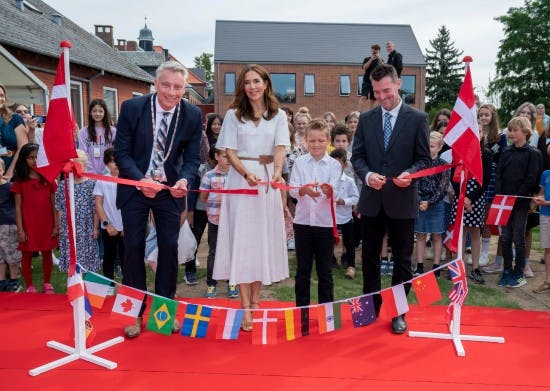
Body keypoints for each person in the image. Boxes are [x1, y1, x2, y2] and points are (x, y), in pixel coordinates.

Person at [114, 61, 202, 338]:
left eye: (178, 87)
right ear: (155, 84)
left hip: (168, 190)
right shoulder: (132, 108)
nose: (171, 92)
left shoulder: (192, 114)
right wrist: (141, 181)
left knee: (168, 247)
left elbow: (191, 158)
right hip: (136, 187)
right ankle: (134, 315)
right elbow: (121, 153)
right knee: (133, 248)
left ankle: (163, 314)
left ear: (184, 88)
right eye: (166, 85)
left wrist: (184, 180)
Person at [351, 63, 430, 334]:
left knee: (402, 260)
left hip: (402, 201)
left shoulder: (418, 119)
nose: (382, 97)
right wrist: (368, 174)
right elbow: (357, 157)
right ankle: (370, 306)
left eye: (386, 90)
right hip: (372, 200)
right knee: (370, 257)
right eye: (376, 92)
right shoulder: (366, 119)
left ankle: (399, 312)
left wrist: (410, 173)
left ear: (398, 84)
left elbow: (424, 160)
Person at [213, 64, 290, 332]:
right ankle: (245, 306)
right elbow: (230, 152)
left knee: (261, 240)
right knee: (243, 242)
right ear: (242, 87)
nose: (252, 86)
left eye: (257, 81)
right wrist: (246, 173)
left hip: (268, 181)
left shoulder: (278, 115)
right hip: (242, 181)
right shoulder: (234, 115)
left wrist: (278, 173)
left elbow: (280, 148)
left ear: (266, 83)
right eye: (247, 82)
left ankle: (257, 300)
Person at [289, 119, 341, 307]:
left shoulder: (334, 165)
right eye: (312, 141)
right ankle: (301, 311)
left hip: (324, 224)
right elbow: (292, 189)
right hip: (303, 223)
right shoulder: (300, 163)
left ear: (328, 140)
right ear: (306, 141)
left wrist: (328, 191)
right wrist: (303, 190)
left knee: (325, 271)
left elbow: (336, 192)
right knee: (302, 270)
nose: (316, 144)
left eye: (320, 140)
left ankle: (326, 312)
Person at [496, 116, 542, 288]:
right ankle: (507, 270)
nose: (511, 133)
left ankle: (519, 271)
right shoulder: (506, 151)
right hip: (504, 202)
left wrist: (517, 196)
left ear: (525, 132)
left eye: (515, 130)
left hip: (520, 203)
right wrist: (500, 195)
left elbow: (532, 178)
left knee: (518, 237)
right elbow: (499, 174)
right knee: (505, 237)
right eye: (510, 130)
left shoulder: (533, 153)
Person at [11, 143, 58, 293]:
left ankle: (47, 283)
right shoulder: (20, 181)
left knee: (47, 252)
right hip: (28, 223)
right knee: (27, 253)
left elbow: (54, 203)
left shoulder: (48, 179)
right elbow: (18, 207)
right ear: (24, 160)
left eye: (37, 157)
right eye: (31, 158)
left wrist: (56, 224)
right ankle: (30, 285)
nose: (34, 160)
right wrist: (20, 229)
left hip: (46, 222)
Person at [199, 146, 237, 298]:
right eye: (224, 156)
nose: (227, 160)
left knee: (232, 252)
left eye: (230, 157)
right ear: (216, 156)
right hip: (215, 221)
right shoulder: (209, 176)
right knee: (214, 252)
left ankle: (232, 282)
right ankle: (211, 284)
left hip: (233, 222)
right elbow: (203, 197)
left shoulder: (237, 176)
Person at [55, 150, 100, 273]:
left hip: (86, 225)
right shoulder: (64, 185)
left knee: (87, 256)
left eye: (79, 164)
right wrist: (60, 226)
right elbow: (59, 207)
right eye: (73, 165)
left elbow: (96, 209)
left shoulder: (92, 184)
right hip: (68, 227)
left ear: (85, 165)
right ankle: (73, 284)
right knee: (71, 256)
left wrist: (95, 228)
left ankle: (86, 286)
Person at [414, 132, 449, 277]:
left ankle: (436, 267)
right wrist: (419, 201)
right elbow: (414, 182)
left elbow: (443, 188)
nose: (429, 148)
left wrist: (430, 202)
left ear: (440, 148)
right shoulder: (420, 163)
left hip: (436, 204)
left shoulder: (443, 165)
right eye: (427, 145)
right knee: (420, 235)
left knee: (436, 236)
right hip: (420, 203)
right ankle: (420, 266)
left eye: (432, 146)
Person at [93, 148, 124, 279]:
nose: (115, 163)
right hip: (108, 226)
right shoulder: (101, 180)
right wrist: (107, 224)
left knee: (127, 257)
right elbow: (98, 204)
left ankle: (128, 287)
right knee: (109, 256)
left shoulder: (130, 179)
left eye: (116, 160)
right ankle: (109, 283)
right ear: (106, 164)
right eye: (111, 161)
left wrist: (127, 226)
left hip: (126, 227)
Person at [330, 148, 359, 279]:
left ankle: (350, 265)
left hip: (346, 217)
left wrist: (344, 201)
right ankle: (330, 261)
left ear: (345, 165)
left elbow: (356, 197)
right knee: (328, 241)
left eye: (339, 164)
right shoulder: (326, 181)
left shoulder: (349, 181)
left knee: (349, 241)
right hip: (330, 217)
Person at [77, 99, 116, 174]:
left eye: (100, 111)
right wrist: (91, 172)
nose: (97, 114)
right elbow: (83, 153)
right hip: (89, 174)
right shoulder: (83, 132)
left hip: (108, 173)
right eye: (94, 111)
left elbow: (114, 153)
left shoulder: (113, 131)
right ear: (90, 113)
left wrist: (106, 171)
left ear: (105, 113)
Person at [0, 159, 22, 292]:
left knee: (11, 253)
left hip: (8, 225)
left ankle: (14, 280)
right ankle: (1, 280)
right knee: (0, 256)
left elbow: (18, 205)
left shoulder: (10, 187)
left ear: (2, 170)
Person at [0, 84, 29, 180]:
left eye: (1, 95)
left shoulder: (15, 119)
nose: (0, 99)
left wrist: (9, 173)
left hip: (10, 168)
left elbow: (22, 147)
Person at [533, 166, 550, 294]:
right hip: (545, 215)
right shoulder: (546, 173)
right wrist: (538, 199)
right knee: (547, 248)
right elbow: (542, 192)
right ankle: (548, 281)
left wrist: (547, 202)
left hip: (546, 209)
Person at [359, 44, 384, 111]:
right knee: (363, 97)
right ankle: (359, 113)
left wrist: (378, 58)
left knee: (373, 99)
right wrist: (371, 59)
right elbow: (364, 68)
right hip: (366, 81)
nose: (374, 52)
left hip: (375, 83)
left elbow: (383, 68)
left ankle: (370, 114)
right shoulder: (367, 59)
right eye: (373, 50)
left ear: (379, 52)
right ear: (371, 50)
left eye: (376, 51)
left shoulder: (380, 61)